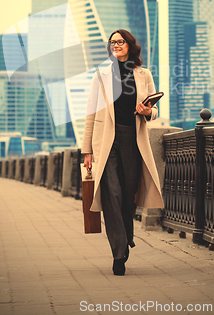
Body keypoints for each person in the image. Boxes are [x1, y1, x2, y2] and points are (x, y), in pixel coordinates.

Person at [82, 29, 163, 276]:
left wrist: (147, 111)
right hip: (106, 140)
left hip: (133, 139)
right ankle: (119, 253)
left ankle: (127, 234)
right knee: (112, 195)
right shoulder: (101, 74)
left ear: (129, 45)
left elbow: (155, 111)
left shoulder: (143, 74)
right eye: (112, 42)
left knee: (128, 193)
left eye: (120, 41)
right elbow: (91, 112)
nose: (115, 45)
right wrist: (87, 150)